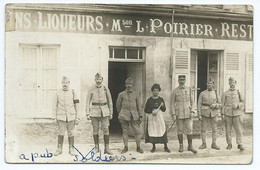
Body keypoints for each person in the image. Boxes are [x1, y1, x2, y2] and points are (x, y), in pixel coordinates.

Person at [86, 73, 113, 155]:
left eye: (100, 79)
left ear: (102, 80)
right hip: (94, 112)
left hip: (104, 112)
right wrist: (87, 113)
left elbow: (110, 101)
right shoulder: (91, 88)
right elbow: (87, 101)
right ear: (95, 80)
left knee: (106, 129)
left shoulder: (105, 88)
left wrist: (111, 112)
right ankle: (96, 148)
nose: (98, 81)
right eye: (97, 79)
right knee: (95, 130)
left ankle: (107, 148)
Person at [52, 76, 80, 156]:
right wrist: (54, 117)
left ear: (69, 83)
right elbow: (54, 105)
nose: (65, 84)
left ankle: (71, 148)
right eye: (63, 83)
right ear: (61, 83)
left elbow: (77, 105)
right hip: (61, 116)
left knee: (71, 133)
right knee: (60, 132)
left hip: (71, 116)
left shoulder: (73, 92)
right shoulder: (58, 93)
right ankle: (59, 149)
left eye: (66, 83)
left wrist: (77, 117)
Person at [116, 77, 144, 154]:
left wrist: (140, 116)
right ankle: (125, 147)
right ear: (125, 85)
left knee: (137, 132)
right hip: (124, 115)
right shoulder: (121, 94)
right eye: (127, 84)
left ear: (133, 85)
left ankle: (138, 147)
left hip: (134, 116)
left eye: (130, 84)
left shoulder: (136, 94)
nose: (129, 86)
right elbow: (118, 105)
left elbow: (139, 105)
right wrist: (121, 113)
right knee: (125, 131)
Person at [171, 75, 197, 154]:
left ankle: (190, 146)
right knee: (180, 130)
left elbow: (193, 102)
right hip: (179, 114)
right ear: (178, 81)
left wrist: (192, 111)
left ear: (185, 81)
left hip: (188, 113)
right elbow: (172, 103)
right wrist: (173, 114)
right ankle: (181, 146)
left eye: (183, 80)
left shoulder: (189, 89)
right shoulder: (175, 91)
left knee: (189, 129)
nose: (182, 81)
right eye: (180, 80)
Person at [144, 83, 170, 153]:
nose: (156, 92)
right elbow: (146, 110)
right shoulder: (149, 100)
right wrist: (152, 111)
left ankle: (166, 146)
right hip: (152, 118)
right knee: (153, 131)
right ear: (152, 91)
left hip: (159, 117)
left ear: (159, 91)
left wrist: (162, 106)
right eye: (154, 90)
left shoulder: (161, 99)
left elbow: (164, 109)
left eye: (157, 90)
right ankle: (153, 146)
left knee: (161, 130)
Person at [221, 77, 245, 151]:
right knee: (228, 130)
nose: (232, 84)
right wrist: (222, 114)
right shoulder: (225, 93)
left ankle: (239, 144)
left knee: (238, 130)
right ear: (229, 83)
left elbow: (243, 102)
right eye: (230, 83)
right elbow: (222, 104)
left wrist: (238, 105)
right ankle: (229, 144)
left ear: (235, 83)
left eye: (233, 82)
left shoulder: (238, 92)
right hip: (228, 114)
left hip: (237, 114)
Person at [198, 77, 221, 150]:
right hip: (204, 112)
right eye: (208, 83)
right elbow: (199, 105)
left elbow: (220, 104)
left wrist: (215, 105)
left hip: (214, 113)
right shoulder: (202, 93)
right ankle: (204, 143)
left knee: (214, 129)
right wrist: (199, 114)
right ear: (206, 84)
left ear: (213, 84)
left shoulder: (216, 93)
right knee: (203, 129)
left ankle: (214, 144)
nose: (209, 85)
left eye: (211, 83)